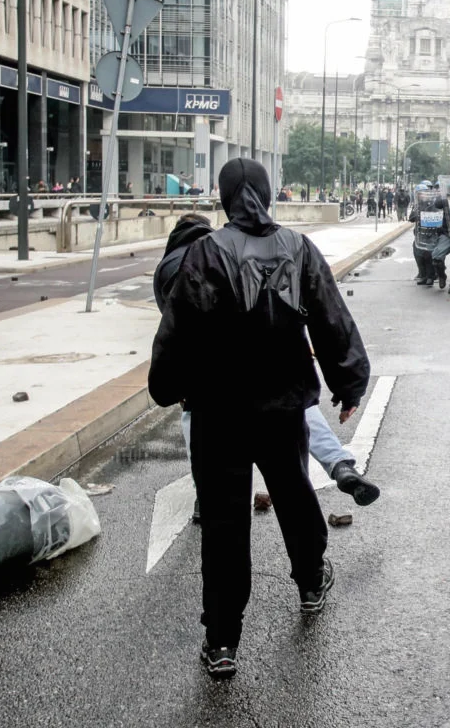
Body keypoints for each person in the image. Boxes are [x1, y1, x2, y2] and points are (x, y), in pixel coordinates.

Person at [148, 158, 371, 679]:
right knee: (294, 495)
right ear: (268, 195)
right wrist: (349, 382)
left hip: (217, 411)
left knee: (225, 523)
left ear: (225, 198)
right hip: (282, 404)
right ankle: (312, 581)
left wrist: (167, 387)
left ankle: (222, 642)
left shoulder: (205, 254)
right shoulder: (299, 248)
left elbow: (178, 331)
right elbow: (332, 318)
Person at [153, 214, 380, 521]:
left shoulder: (167, 269)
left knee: (193, 417)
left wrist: (178, 386)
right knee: (299, 410)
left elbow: (176, 332)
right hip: (265, 370)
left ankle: (204, 497)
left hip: (212, 379)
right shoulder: (222, 255)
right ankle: (339, 465)